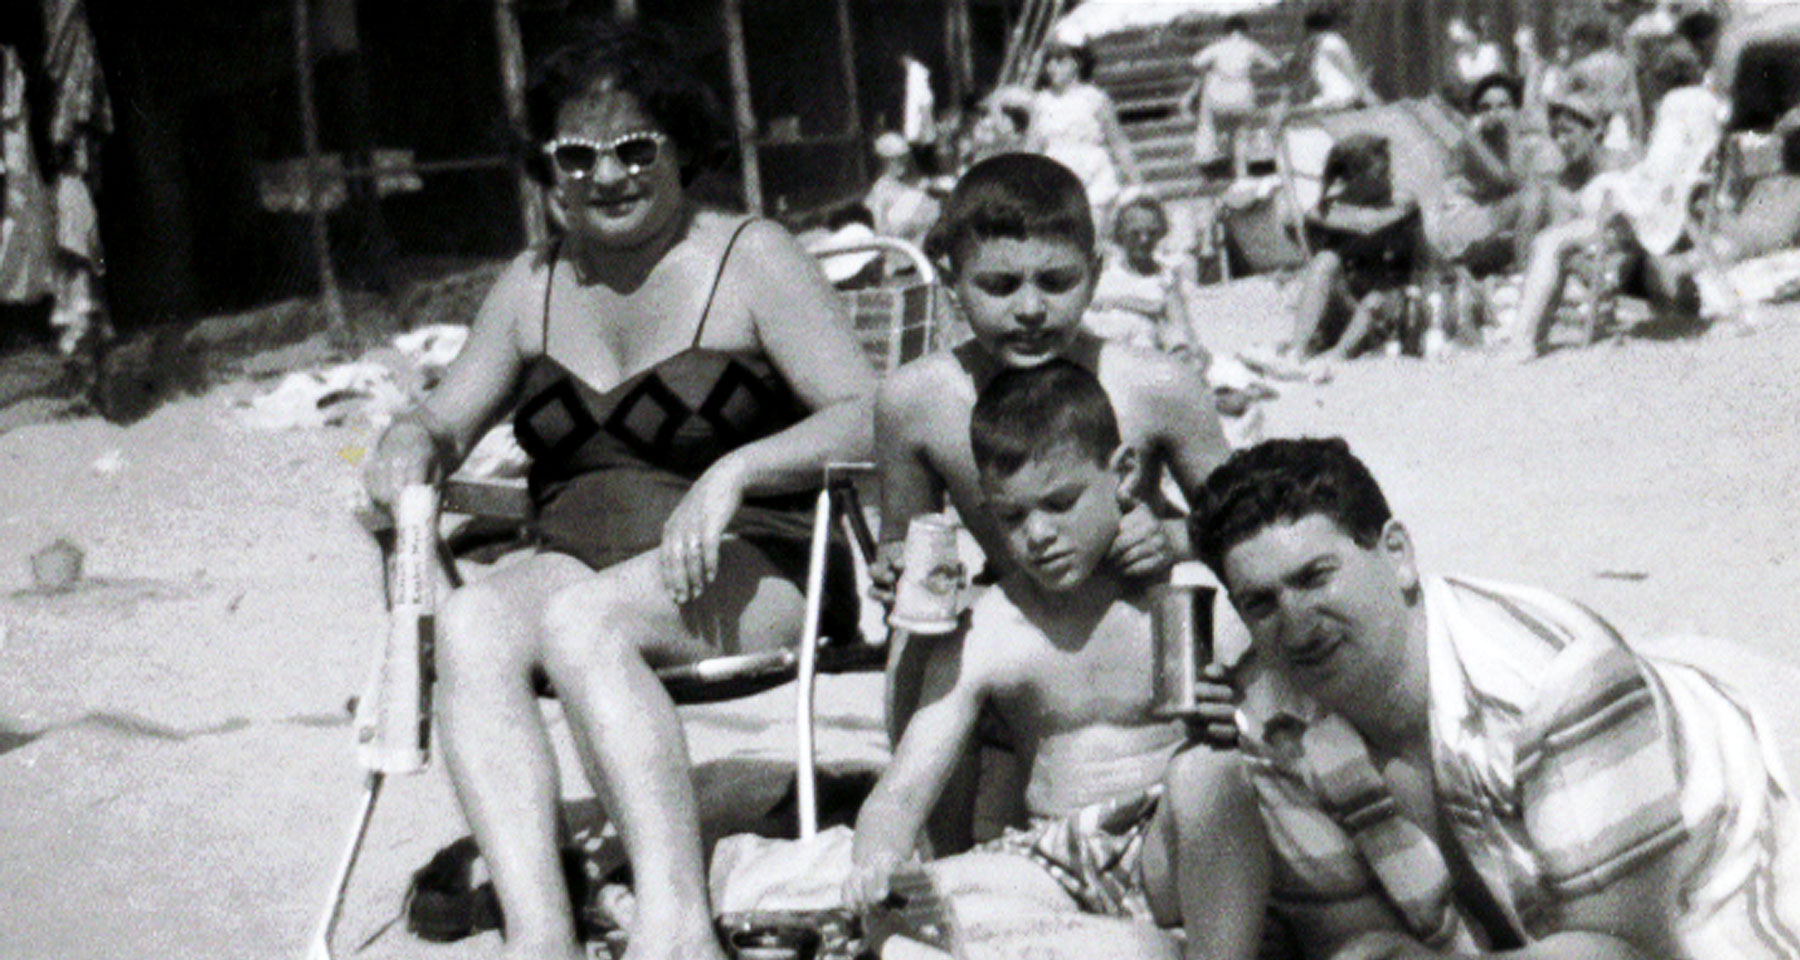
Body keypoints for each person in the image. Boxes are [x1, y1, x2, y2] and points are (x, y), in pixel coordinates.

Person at [358, 21, 877, 960]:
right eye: (577, 155)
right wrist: (409, 435)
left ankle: (677, 934)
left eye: (635, 148)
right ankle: (540, 935)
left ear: (683, 152)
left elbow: (866, 414)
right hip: (578, 567)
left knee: (582, 623)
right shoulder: (532, 282)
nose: (608, 176)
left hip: (754, 560)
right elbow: (441, 419)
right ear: (546, 168)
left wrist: (736, 469)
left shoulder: (749, 256)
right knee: (474, 625)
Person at [1193, 436, 1800, 960]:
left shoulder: (1555, 678)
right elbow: (1355, 940)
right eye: (1261, 603)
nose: (1297, 625)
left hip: (1709, 882)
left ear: (1398, 554)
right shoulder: (1271, 725)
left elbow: (1626, 948)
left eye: (1314, 577)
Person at [873, 152, 1234, 853]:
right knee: (916, 644)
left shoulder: (1154, 385)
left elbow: (1250, 524)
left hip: (1140, 645)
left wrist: (1177, 539)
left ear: (1095, 273)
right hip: (1018, 637)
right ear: (952, 284)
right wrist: (897, 571)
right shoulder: (918, 402)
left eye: (1058, 281)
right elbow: (910, 539)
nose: (1032, 308)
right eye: (1001, 285)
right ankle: (945, 856)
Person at [847, 361, 1268, 960]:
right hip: (1054, 856)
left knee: (1207, 774)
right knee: (917, 904)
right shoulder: (993, 625)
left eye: (1060, 503)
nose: (1038, 534)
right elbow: (902, 791)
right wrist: (877, 862)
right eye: (1013, 517)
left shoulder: (1182, 600)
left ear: (1122, 474)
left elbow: (1285, 728)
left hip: (1172, 846)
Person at [1512, 48, 1723, 358]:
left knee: (1549, 243)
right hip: (1638, 236)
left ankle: (1521, 342)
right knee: (1552, 241)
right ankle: (1530, 335)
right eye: (1556, 134)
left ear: (1596, 131)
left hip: (1641, 235)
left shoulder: (1630, 160)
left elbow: (1649, 196)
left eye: (1568, 133)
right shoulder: (1691, 120)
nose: (1561, 142)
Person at [1285, 133, 1424, 362]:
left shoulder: (1402, 203)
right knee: (1325, 261)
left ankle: (1336, 355)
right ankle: (1297, 351)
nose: (1389, 178)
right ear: (1353, 176)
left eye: (1388, 170)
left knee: (1375, 300)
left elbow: (1371, 226)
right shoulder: (1324, 212)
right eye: (1380, 173)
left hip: (1394, 301)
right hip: (1347, 303)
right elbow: (1363, 225)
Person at [1027, 41, 1142, 229]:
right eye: (1048, 61)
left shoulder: (1095, 98)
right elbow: (1032, 150)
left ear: (1077, 62)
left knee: (1094, 236)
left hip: (1094, 178)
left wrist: (1136, 183)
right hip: (1055, 181)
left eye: (1059, 60)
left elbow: (1118, 143)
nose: (1052, 67)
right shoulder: (1041, 102)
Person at [1084, 193, 1205, 364]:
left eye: (1152, 232)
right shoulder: (1104, 269)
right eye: (1135, 233)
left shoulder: (1165, 278)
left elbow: (1181, 328)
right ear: (1120, 233)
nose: (1144, 239)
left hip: (1143, 358)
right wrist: (1146, 306)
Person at [1181, 15, 1282, 179]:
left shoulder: (1217, 47)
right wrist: (1253, 75)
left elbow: (1194, 63)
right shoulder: (1251, 47)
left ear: (1226, 31)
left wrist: (1210, 73)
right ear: (1245, 31)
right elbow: (1275, 66)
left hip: (1218, 97)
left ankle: (1222, 166)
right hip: (1242, 95)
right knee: (1240, 135)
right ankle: (1241, 174)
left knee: (1216, 127)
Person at [865, 131, 942, 248]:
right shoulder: (881, 189)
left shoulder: (924, 184)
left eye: (903, 158)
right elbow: (879, 232)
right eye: (892, 159)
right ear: (882, 161)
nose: (901, 164)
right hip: (899, 253)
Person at [1301, 5, 1380, 111]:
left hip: (1341, 98)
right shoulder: (1322, 44)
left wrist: (1368, 95)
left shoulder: (1331, 42)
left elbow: (1351, 71)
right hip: (1335, 98)